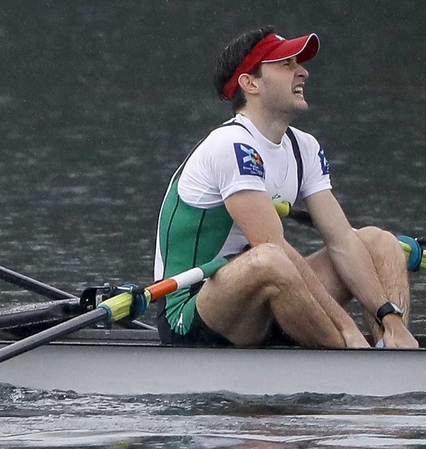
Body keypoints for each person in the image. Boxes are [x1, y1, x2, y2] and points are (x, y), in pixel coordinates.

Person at [153, 26, 419, 349]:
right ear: (250, 83)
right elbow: (271, 246)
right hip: (191, 312)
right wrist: (347, 329)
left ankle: (394, 345)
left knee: (381, 243)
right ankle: (348, 353)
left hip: (267, 301)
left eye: (299, 64)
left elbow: (341, 241)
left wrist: (388, 315)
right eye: (286, 65)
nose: (303, 72)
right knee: (271, 257)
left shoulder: (304, 148)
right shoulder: (231, 145)